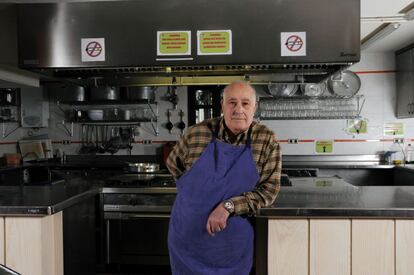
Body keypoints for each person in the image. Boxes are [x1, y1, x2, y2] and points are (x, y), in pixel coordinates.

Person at [166, 81, 281, 275]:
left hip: (231, 248)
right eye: (232, 102)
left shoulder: (266, 139)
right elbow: (173, 165)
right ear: (222, 106)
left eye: (245, 103)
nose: (238, 110)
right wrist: (197, 199)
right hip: (187, 243)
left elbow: (268, 191)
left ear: (255, 107)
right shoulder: (196, 134)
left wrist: (229, 206)